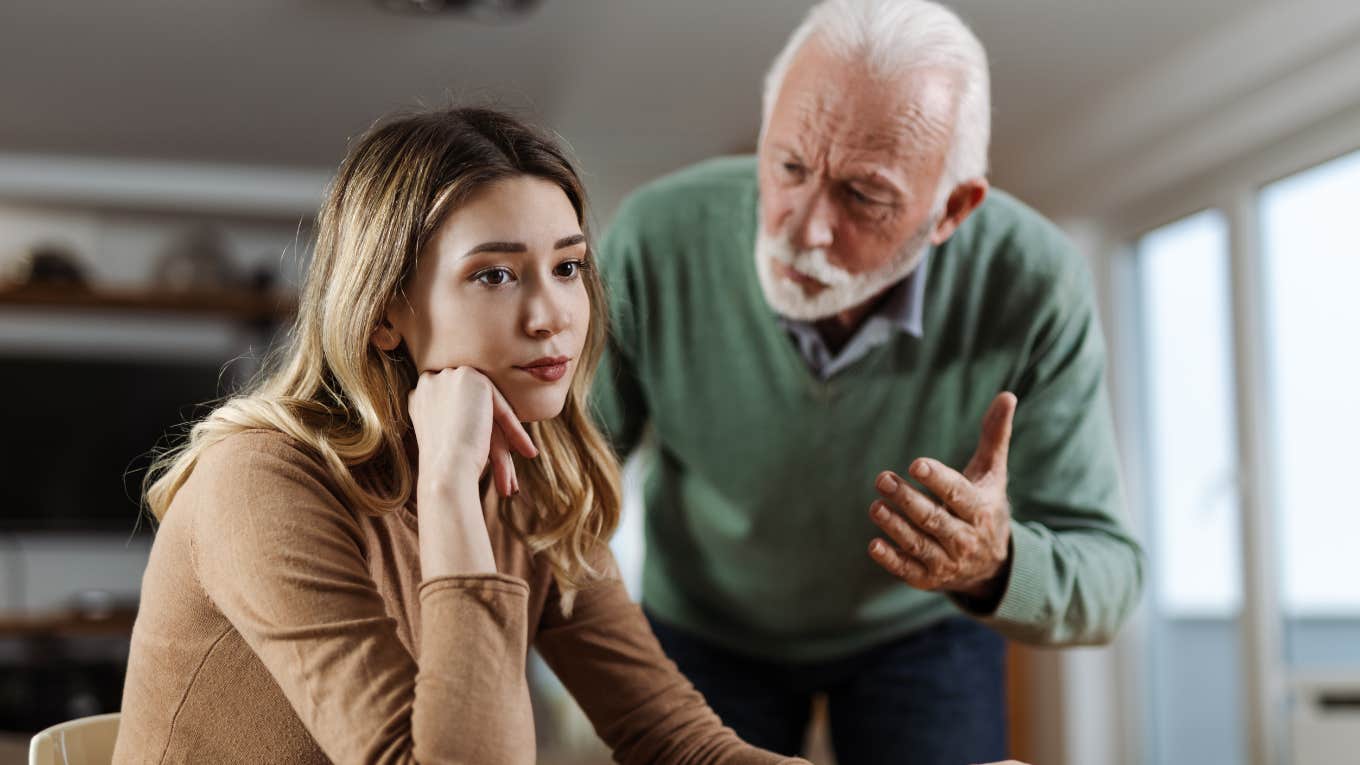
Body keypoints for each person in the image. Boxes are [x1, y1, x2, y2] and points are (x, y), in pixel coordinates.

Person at [112, 106, 813, 765]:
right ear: (385, 312)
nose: (550, 315)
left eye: (568, 267)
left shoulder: (539, 482)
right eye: (496, 274)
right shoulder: (261, 479)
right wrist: (449, 490)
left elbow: (683, 745)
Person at [590, 0, 1146, 762]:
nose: (801, 228)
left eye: (864, 196)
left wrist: (996, 563)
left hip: (919, 631)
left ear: (952, 209)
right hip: (706, 621)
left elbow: (1111, 577)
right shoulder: (655, 237)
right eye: (788, 166)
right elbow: (570, 471)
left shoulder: (1036, 283)